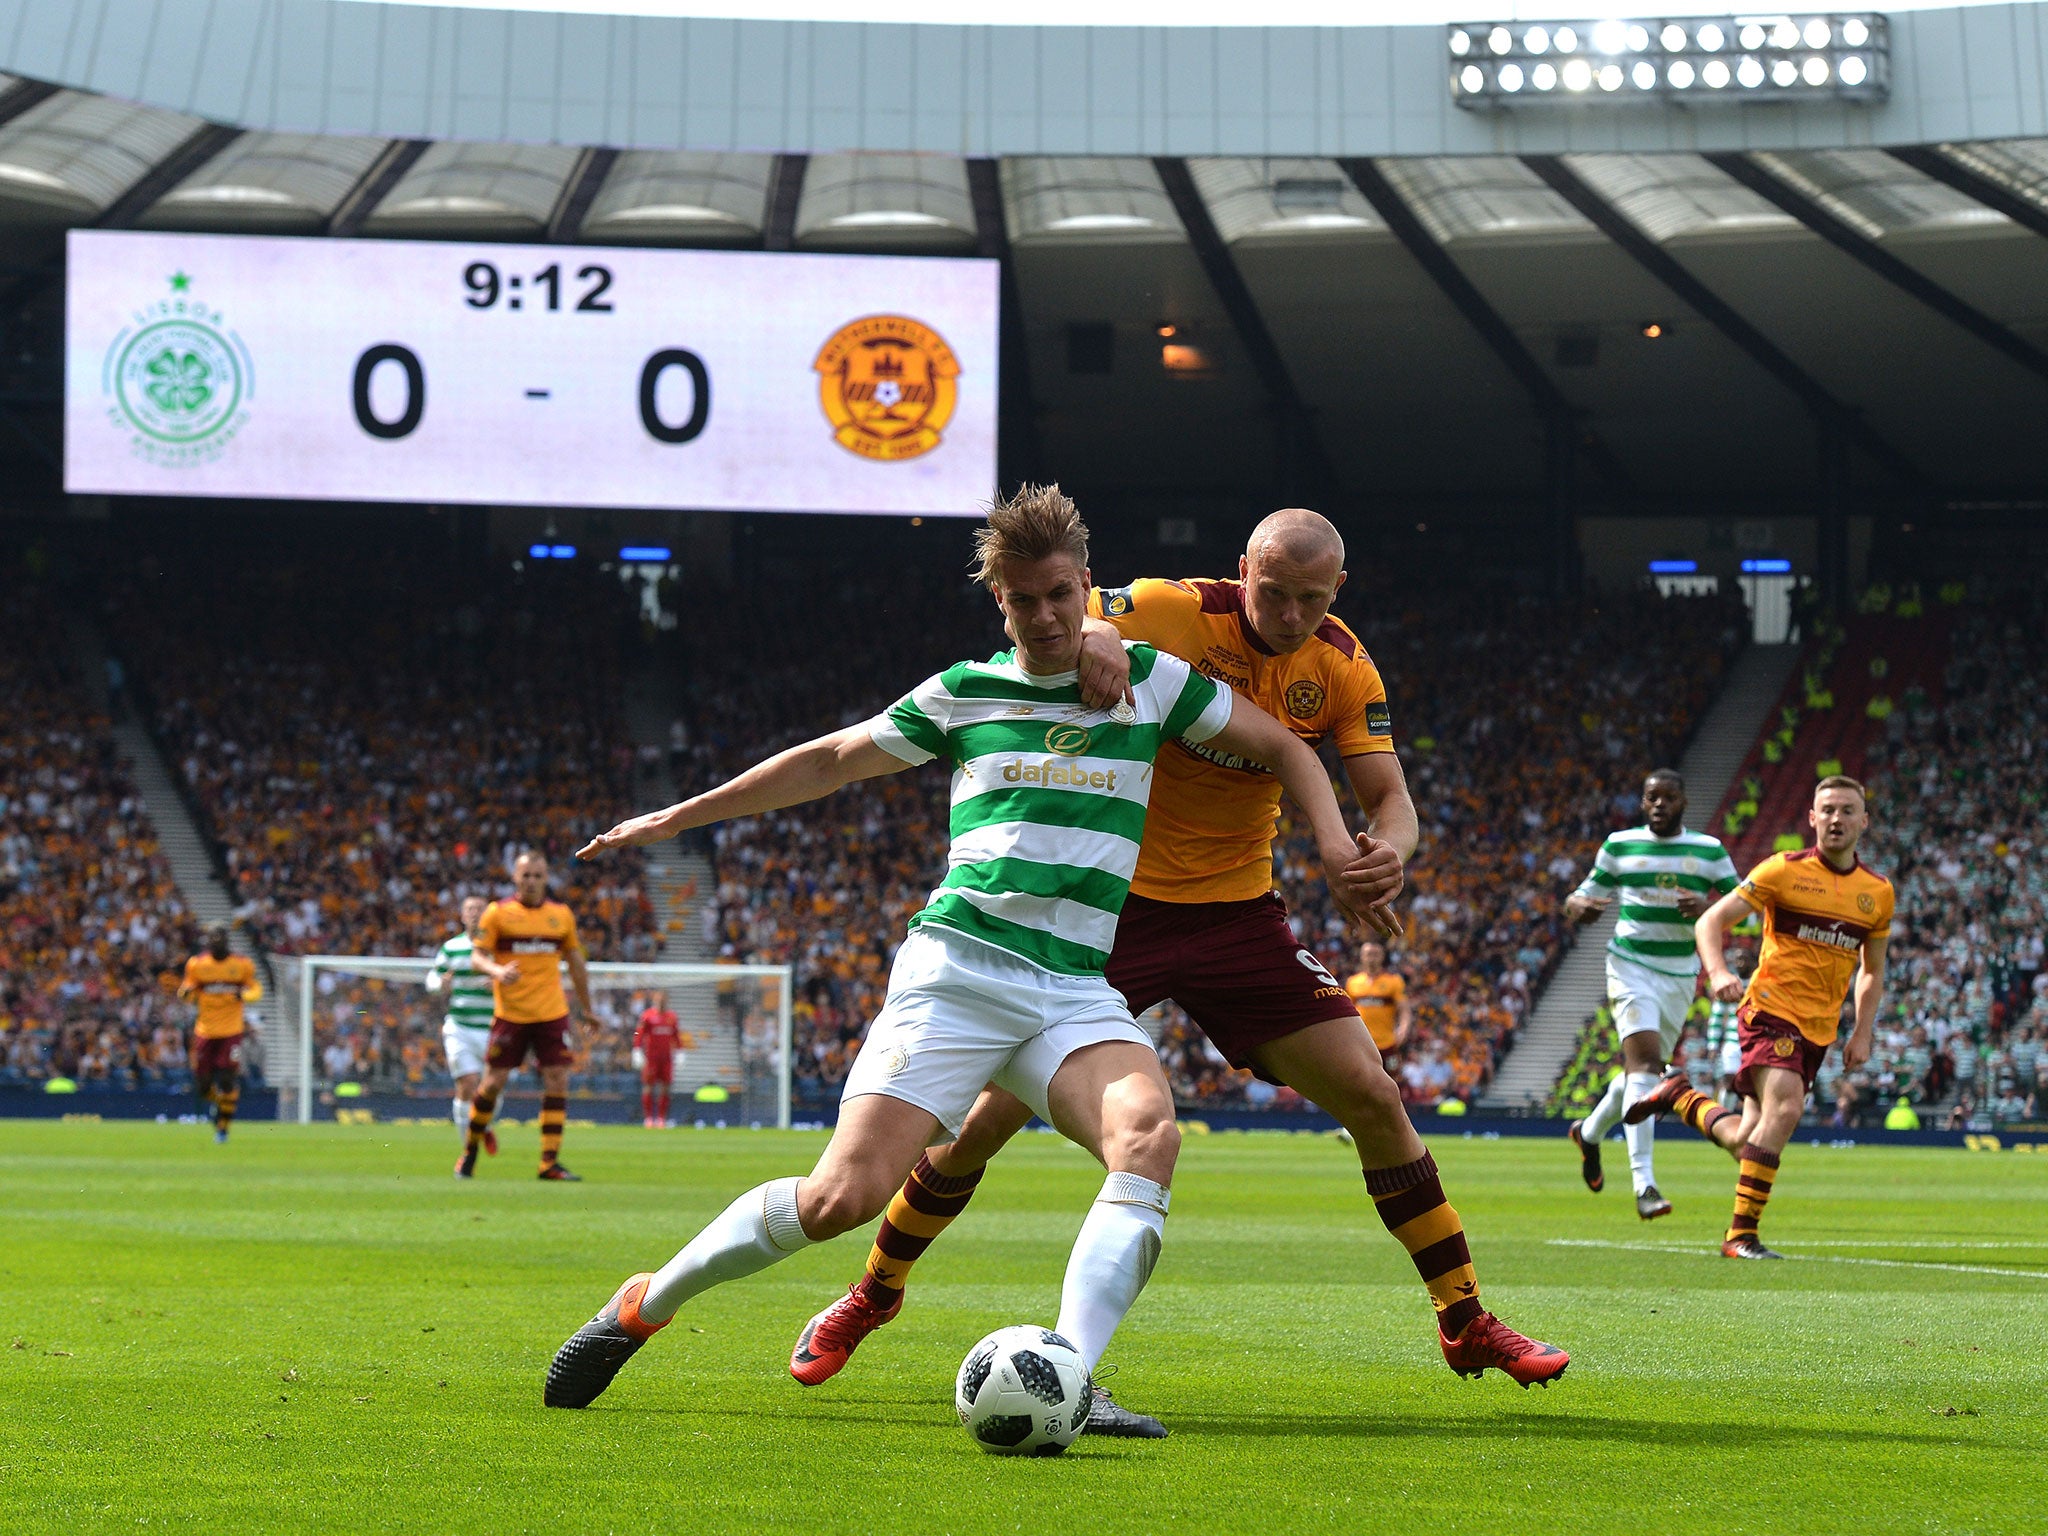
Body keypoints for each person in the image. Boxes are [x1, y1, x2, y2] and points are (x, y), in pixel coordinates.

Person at [542, 485, 1382, 1414]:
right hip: (959, 975)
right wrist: (680, 814)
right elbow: (828, 759)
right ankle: (642, 1306)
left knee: (1147, 1137)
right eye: (1025, 601)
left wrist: (1339, 845)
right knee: (839, 1200)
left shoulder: (1155, 681)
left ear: (1087, 586)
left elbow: (1290, 750)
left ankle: (1066, 1372)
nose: (1048, 616)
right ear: (1001, 603)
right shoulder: (963, 692)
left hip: (1071, 988)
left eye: (1063, 595)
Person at [789, 507, 1568, 1425]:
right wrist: (1093, 634)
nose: (1287, 613)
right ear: (1244, 570)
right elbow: (1064, 610)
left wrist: (1387, 851)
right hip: (1109, 915)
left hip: (1241, 917)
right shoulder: (1169, 608)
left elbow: (1389, 799)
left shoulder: (1345, 665)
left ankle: (1464, 1317)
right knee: (981, 1124)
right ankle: (874, 1293)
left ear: (1338, 592)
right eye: (1271, 592)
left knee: (1375, 1094)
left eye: (1310, 599)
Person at [1629, 776, 1893, 1258]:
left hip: (1819, 1028)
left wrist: (1863, 1031)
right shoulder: (1780, 871)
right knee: (1787, 1111)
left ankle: (1680, 1096)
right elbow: (1711, 920)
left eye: (1847, 810)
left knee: (1748, 1139)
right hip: (1770, 1009)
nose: (1837, 818)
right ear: (1812, 819)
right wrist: (1718, 970)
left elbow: (1871, 972)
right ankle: (1740, 1235)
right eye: (1827, 809)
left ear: (1863, 821)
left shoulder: (1876, 893)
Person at [1561, 770, 1738, 1220]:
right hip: (1630, 965)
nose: (1659, 804)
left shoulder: (1709, 851)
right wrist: (1577, 907)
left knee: (1644, 1074)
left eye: (1668, 797)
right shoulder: (1620, 845)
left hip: (1681, 972)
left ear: (1683, 801)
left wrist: (1710, 910)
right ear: (1643, 803)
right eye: (1651, 797)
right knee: (1643, 1067)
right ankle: (1645, 1185)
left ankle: (1590, 1132)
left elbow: (1745, 910)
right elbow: (1581, 897)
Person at [458, 852, 595, 1181]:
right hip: (512, 1014)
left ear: (546, 878)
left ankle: (549, 1162)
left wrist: (588, 1010)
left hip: (552, 1013)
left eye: (537, 875)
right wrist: (497, 970)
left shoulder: (560, 916)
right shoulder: (498, 914)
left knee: (558, 1080)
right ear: (515, 878)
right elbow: (477, 957)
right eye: (526, 875)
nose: (531, 881)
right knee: (492, 1084)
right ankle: (470, 1148)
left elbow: (576, 963)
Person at [424, 895, 497, 1153]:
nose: (475, 914)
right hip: (460, 1027)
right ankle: (468, 1147)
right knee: (467, 1083)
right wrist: (439, 984)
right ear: (463, 916)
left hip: (493, 1028)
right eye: (470, 910)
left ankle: (484, 1127)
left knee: (490, 1089)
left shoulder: (497, 947)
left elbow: (517, 977)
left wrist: (499, 981)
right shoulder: (452, 947)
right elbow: (433, 978)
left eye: (480, 909)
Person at [178, 925, 260, 1143]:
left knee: (226, 1080)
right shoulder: (197, 965)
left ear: (226, 940)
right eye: (212, 937)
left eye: (220, 937)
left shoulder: (241, 965)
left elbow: (255, 989)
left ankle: (223, 1127)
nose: (216, 941)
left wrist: (243, 995)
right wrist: (184, 993)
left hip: (231, 1030)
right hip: (205, 1030)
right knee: (203, 1085)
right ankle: (218, 1106)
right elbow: (187, 990)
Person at [1345, 939, 1412, 1062]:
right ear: (1362, 956)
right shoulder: (1353, 982)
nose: (1372, 958)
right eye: (1368, 954)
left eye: (1375, 954)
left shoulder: (1394, 981)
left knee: (1392, 1079)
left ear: (1382, 957)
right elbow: (1347, 1013)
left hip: (1387, 1042)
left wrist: (1403, 1028)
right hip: (1362, 1044)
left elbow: (1404, 1009)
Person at [634, 995, 682, 1128]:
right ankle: (649, 1118)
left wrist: (680, 1050)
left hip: (666, 1058)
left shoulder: (672, 1017)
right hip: (651, 1058)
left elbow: (676, 1035)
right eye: (659, 1001)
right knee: (648, 1086)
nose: (661, 1003)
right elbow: (638, 1032)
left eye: (663, 1001)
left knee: (665, 1087)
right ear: (654, 1001)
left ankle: (661, 1118)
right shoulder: (647, 1016)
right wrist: (637, 1049)